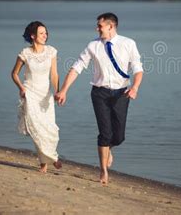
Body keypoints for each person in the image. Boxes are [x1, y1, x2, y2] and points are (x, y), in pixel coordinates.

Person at [55, 12, 143, 185]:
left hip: (121, 93)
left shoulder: (128, 43)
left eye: (100, 26)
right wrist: (64, 90)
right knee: (105, 133)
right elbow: (77, 68)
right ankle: (103, 170)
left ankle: (108, 149)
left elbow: (138, 69)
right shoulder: (92, 46)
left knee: (118, 137)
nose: (97, 29)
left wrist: (135, 87)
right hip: (99, 94)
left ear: (111, 26)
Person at [11, 21, 62, 173]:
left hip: (46, 95)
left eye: (46, 33)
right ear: (33, 36)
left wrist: (57, 91)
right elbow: (14, 74)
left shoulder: (51, 51)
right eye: (41, 33)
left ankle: (50, 157)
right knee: (36, 129)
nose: (45, 35)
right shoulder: (25, 53)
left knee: (49, 128)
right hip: (30, 94)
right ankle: (47, 163)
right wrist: (21, 88)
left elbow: (54, 74)